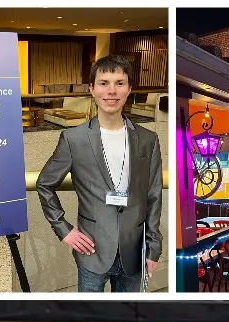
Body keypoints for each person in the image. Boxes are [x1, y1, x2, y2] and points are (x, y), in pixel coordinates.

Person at [37, 56, 163, 292]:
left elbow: (153, 195)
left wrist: (153, 246)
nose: (112, 91)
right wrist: (64, 230)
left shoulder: (148, 140)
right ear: (92, 89)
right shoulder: (74, 139)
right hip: (91, 250)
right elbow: (45, 184)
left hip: (134, 251)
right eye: (104, 83)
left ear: (130, 89)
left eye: (120, 83)